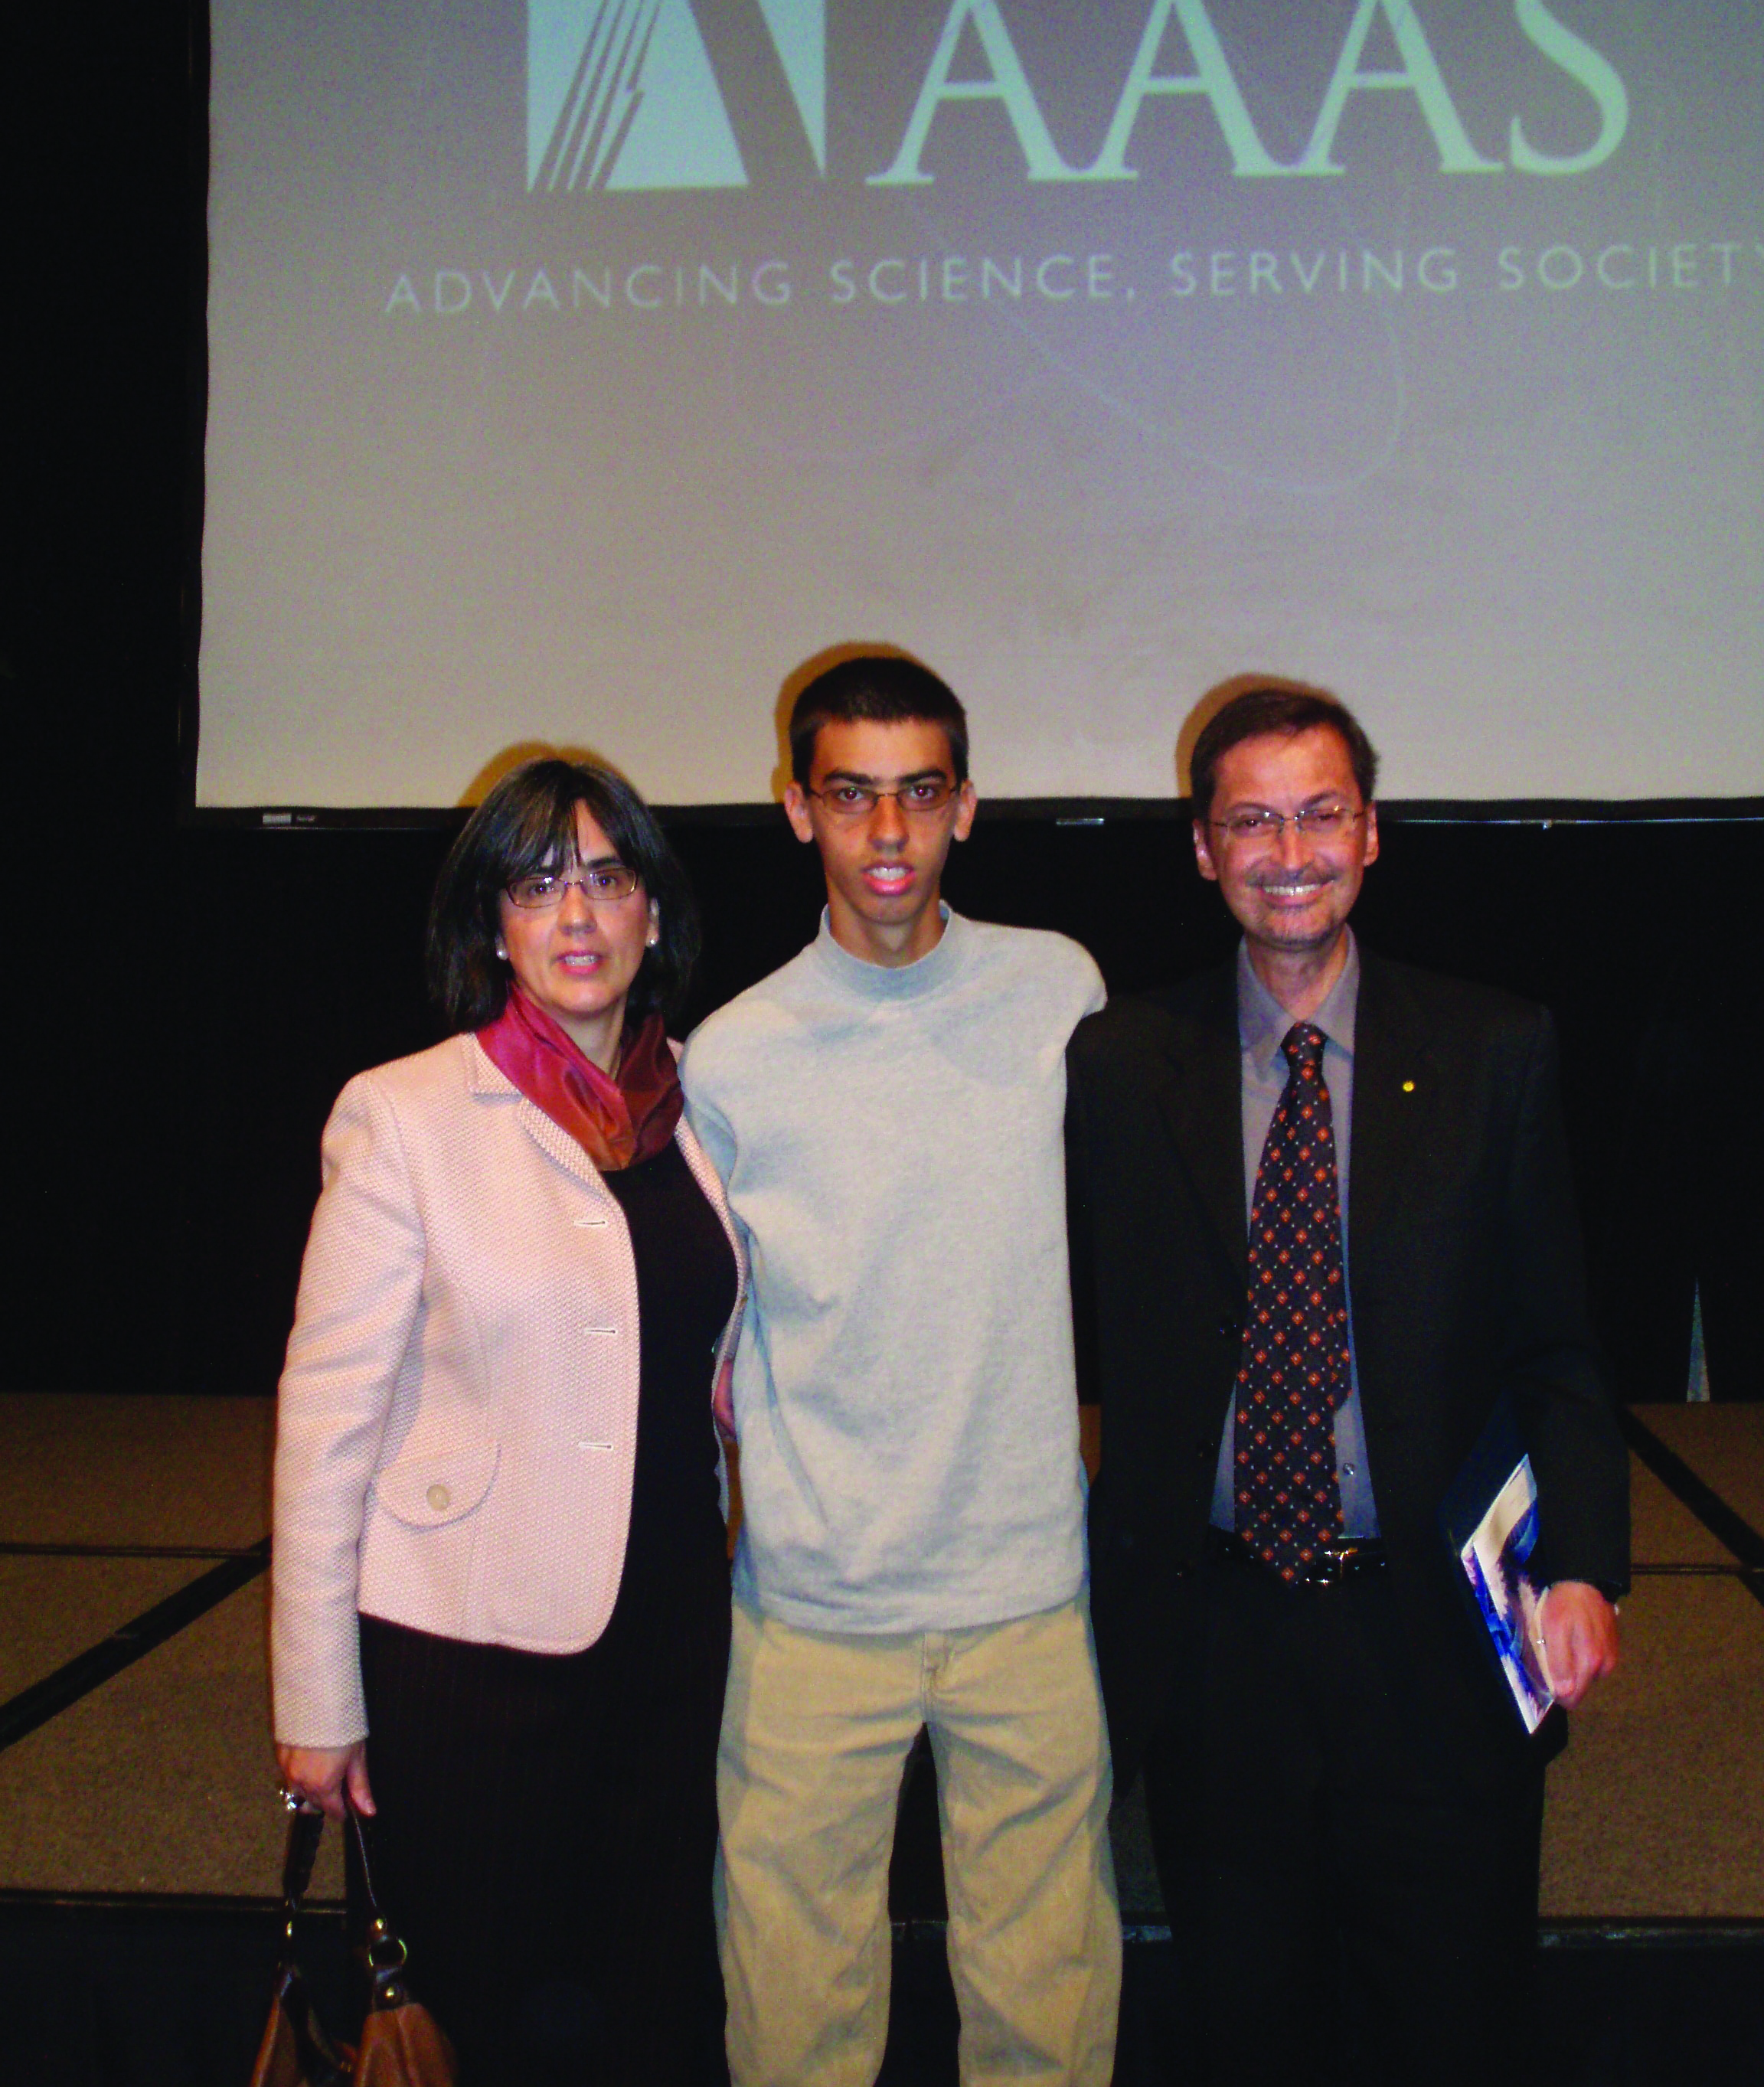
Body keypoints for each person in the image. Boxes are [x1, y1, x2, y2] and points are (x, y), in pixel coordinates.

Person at [1064, 685, 1628, 2087]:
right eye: (1252, 818)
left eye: (1321, 812)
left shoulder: (1495, 1050)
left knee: (1456, 2021)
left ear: (1370, 833)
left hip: (1431, 1628)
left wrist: (1588, 1568)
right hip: (1218, 1635)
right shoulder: (1124, 1064)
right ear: (1203, 849)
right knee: (1251, 2025)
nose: (1290, 846)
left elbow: (1558, 1343)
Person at [681, 655, 1121, 2087]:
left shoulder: (1060, 991)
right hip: (816, 1604)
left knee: (1045, 2011)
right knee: (796, 2013)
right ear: (797, 809)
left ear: (967, 807)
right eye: (852, 795)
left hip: (1023, 1589)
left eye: (919, 793)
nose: (888, 833)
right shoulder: (734, 1058)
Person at [271, 757, 744, 2085]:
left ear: (655, 911)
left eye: (608, 877)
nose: (578, 915)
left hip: (671, 1632)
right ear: (494, 925)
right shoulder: (408, 1114)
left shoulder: (711, 1103)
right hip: (469, 1656)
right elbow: (326, 1424)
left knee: (653, 1999)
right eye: (539, 884)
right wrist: (319, 1696)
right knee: (478, 2008)